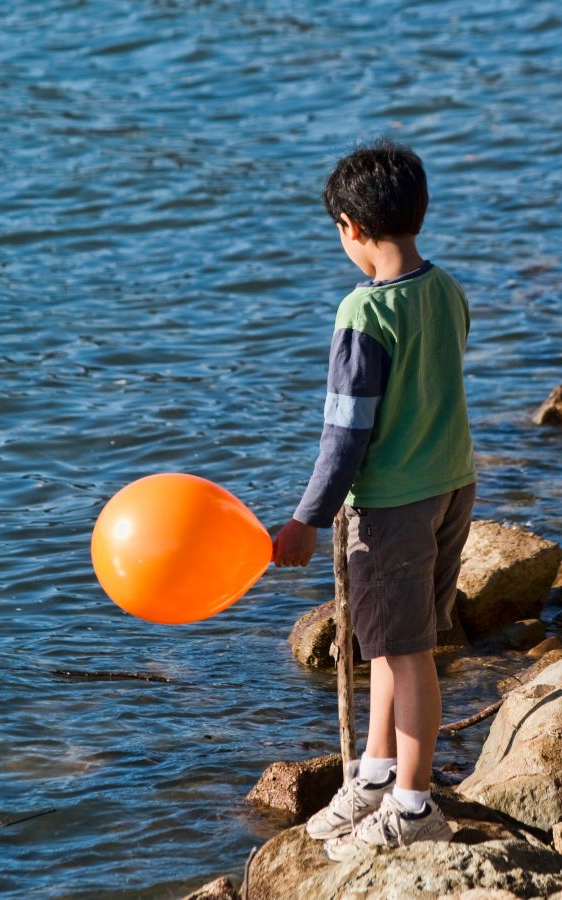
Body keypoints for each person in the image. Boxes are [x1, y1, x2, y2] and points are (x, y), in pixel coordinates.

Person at [272, 138, 476, 859]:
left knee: (408, 650)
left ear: (351, 229)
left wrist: (306, 519)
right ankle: (377, 775)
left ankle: (415, 807)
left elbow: (345, 435)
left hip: (393, 503)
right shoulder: (445, 287)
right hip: (453, 483)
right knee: (389, 641)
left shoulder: (363, 313)